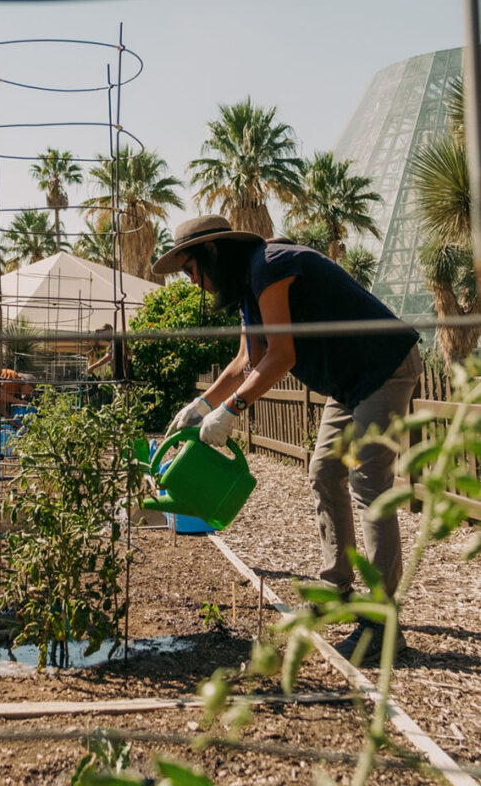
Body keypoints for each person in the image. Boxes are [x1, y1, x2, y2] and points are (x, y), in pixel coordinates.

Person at [153, 215, 422, 661]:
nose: (192, 281)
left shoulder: (269, 265)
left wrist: (231, 411)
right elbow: (246, 360)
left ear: (212, 253)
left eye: (190, 270)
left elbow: (281, 355)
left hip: (384, 366)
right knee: (323, 471)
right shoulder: (247, 289)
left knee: (369, 486)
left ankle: (381, 625)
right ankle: (338, 590)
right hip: (349, 382)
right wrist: (201, 406)